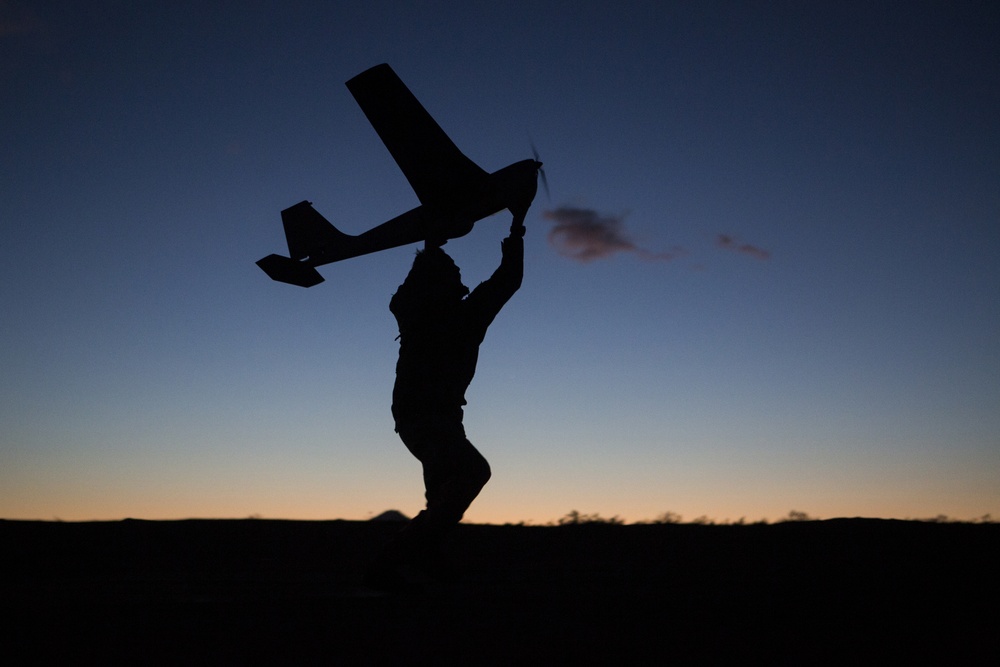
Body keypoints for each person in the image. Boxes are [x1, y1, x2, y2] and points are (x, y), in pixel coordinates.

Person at [365, 220, 524, 591]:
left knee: (442, 494)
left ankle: (417, 556)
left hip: (427, 419)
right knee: (472, 472)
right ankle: (398, 556)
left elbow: (502, 282)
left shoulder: (414, 312)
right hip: (428, 419)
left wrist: (432, 247)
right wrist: (516, 231)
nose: (459, 274)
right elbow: (507, 280)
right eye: (453, 271)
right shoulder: (461, 316)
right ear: (439, 282)